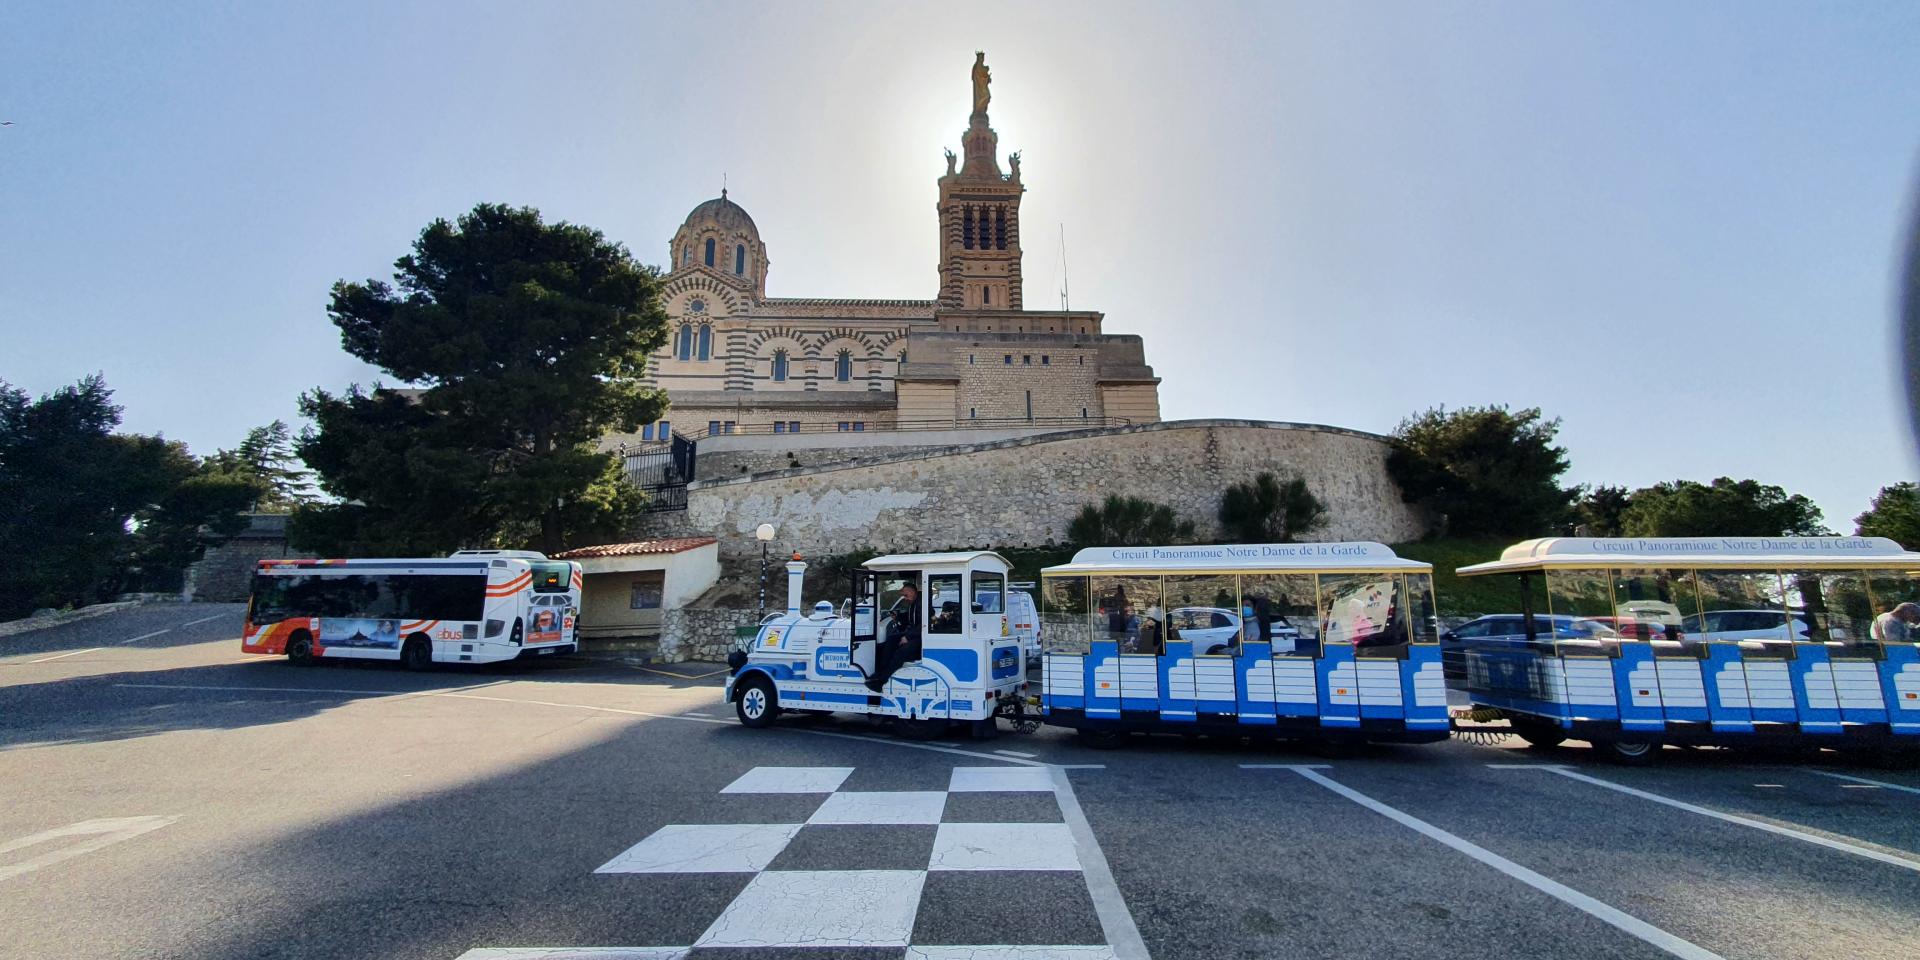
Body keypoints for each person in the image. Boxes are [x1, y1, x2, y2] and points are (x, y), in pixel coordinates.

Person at [867, 581, 922, 691]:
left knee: (901, 652)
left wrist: (907, 637)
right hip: (914, 634)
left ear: (912, 592)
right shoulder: (913, 603)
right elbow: (911, 618)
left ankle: (882, 681)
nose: (905, 598)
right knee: (891, 639)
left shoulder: (921, 603)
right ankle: (880, 671)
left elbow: (923, 625)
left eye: (906, 595)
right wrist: (898, 617)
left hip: (921, 637)